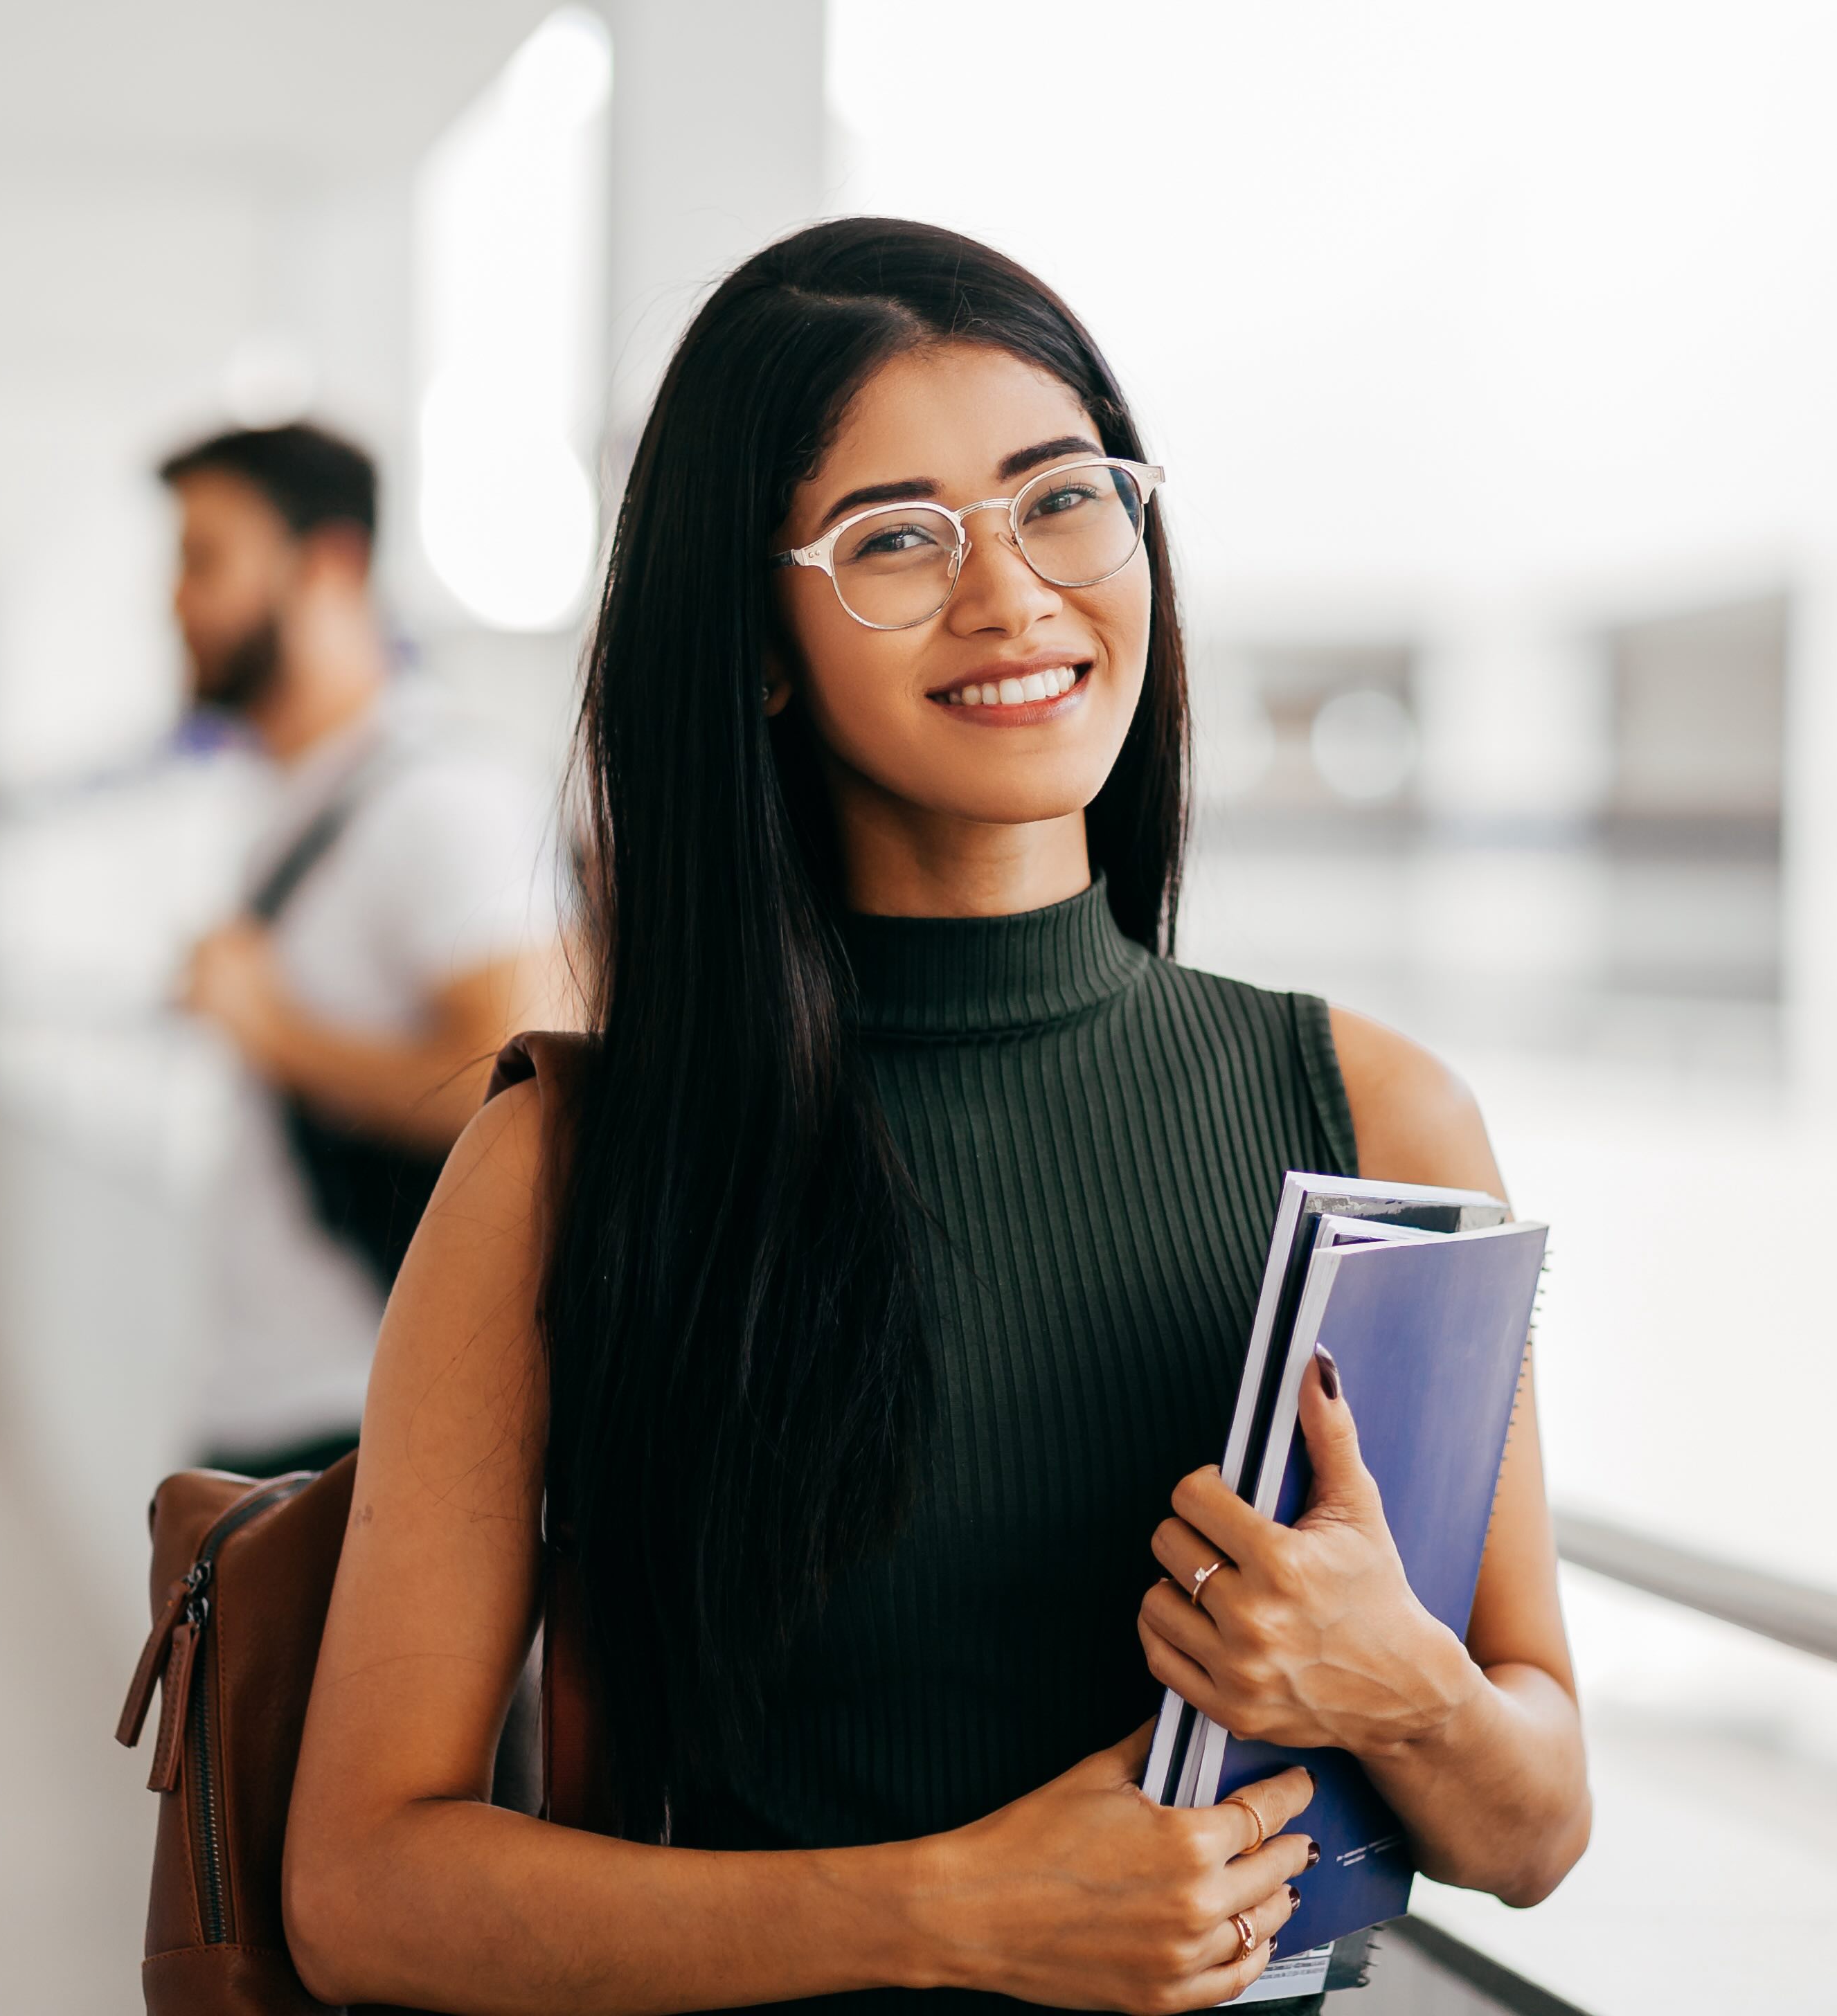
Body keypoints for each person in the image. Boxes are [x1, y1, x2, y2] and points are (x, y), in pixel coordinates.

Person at [283, 219, 1591, 2015]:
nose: (1014, 595)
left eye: (1065, 500)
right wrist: (955, 1912)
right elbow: (362, 1885)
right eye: (896, 538)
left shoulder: (1376, 1114)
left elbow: (1533, 1832)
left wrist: (1399, 1684)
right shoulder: (568, 1165)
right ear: (752, 642)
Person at [163, 423, 565, 1466]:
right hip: (280, 1403)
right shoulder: (299, 802)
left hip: (372, 1422)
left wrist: (273, 1031)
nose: (174, 601)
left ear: (329, 564)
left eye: (205, 560)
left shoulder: (442, 800)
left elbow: (530, 1095)